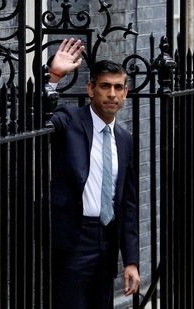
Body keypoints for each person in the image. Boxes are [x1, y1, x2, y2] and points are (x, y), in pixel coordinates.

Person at [46, 38, 140, 309]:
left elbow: (128, 203)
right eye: (105, 86)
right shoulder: (69, 119)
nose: (111, 93)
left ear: (125, 93)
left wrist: (131, 260)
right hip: (73, 239)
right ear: (91, 89)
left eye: (118, 87)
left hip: (106, 240)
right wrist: (52, 78)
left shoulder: (123, 138)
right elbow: (36, 120)